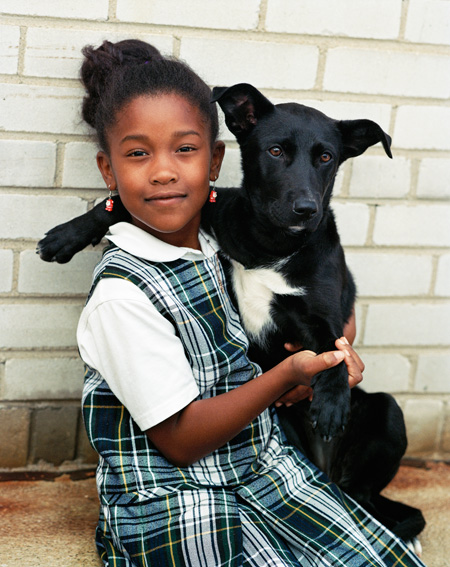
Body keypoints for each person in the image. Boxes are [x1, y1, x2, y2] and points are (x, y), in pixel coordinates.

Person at [77, 39, 426, 566]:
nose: (166, 172)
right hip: (176, 490)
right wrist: (288, 376)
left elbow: (335, 312)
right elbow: (179, 440)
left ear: (214, 160)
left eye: (186, 150)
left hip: (257, 456)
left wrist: (334, 357)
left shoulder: (214, 234)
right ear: (110, 170)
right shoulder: (123, 295)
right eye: (139, 153)